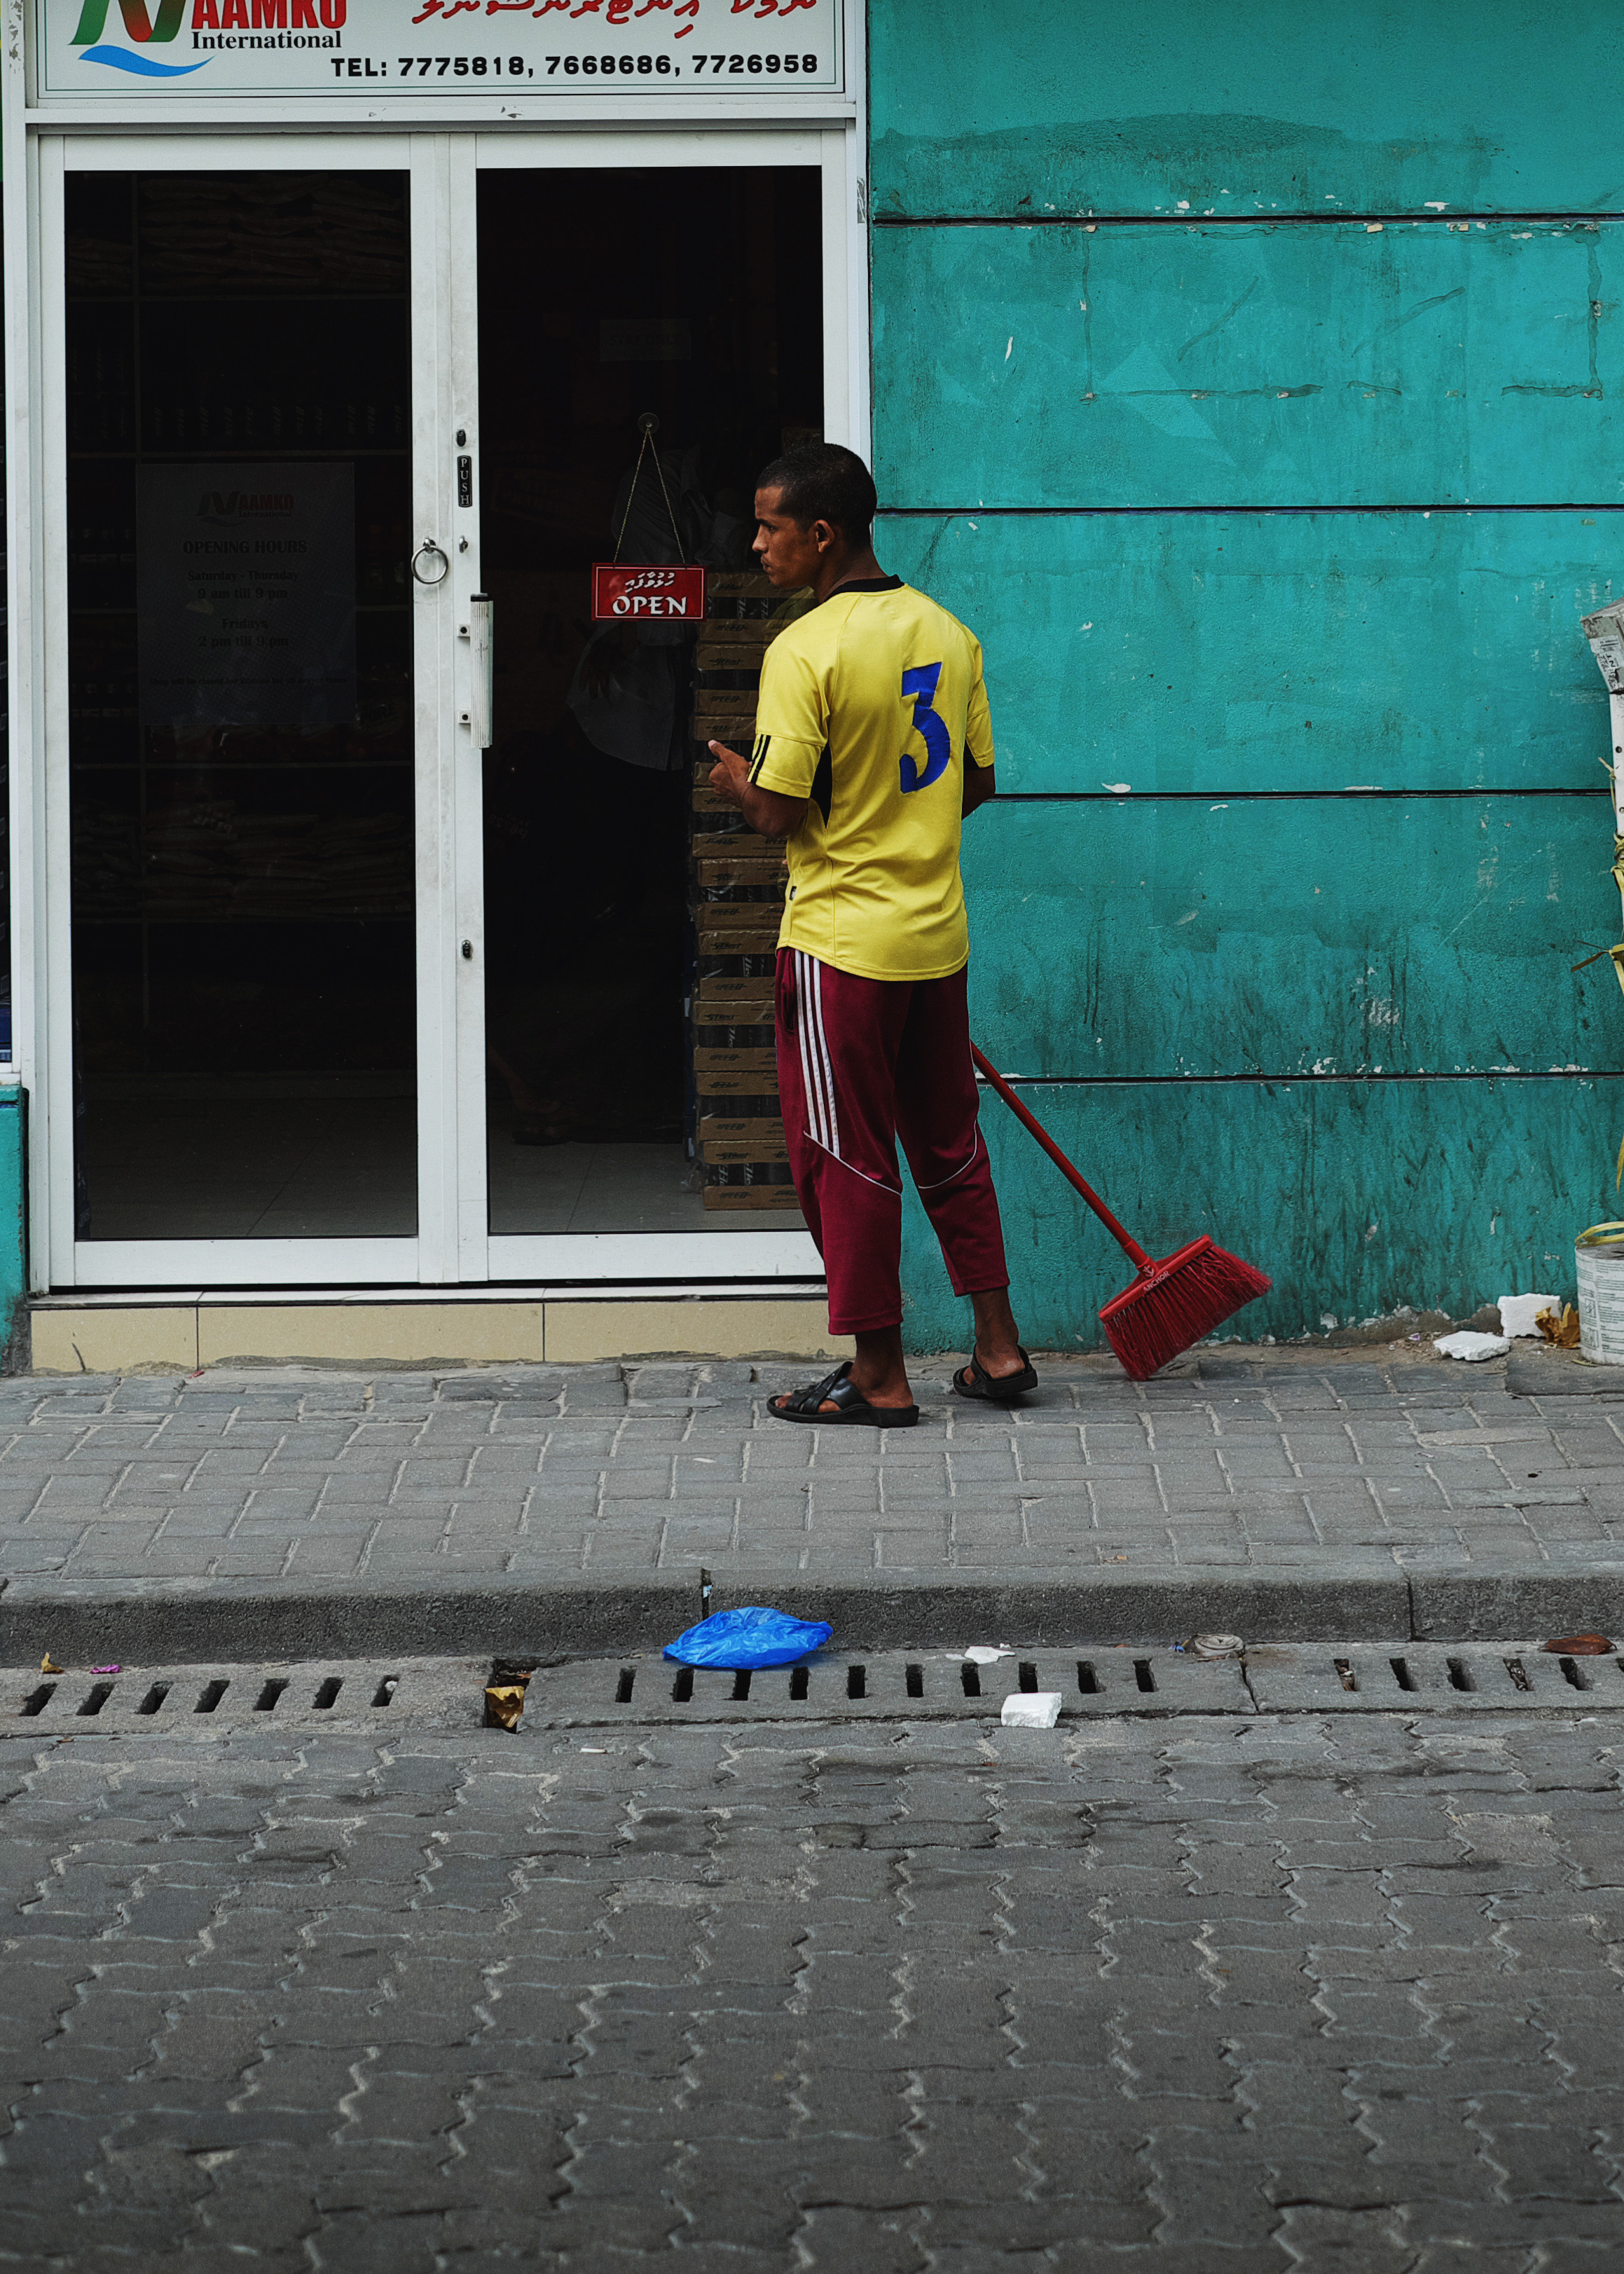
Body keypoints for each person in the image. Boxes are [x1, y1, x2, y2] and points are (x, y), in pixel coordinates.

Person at [706, 441, 1035, 1426]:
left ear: (821, 534)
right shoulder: (947, 631)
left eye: (768, 527)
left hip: (839, 947)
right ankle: (998, 1347)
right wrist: (902, 830)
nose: (755, 544)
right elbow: (973, 783)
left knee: (842, 1157)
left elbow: (776, 811)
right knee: (949, 1145)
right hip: (934, 939)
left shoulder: (803, 649)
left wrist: (735, 782)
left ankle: (879, 1375)